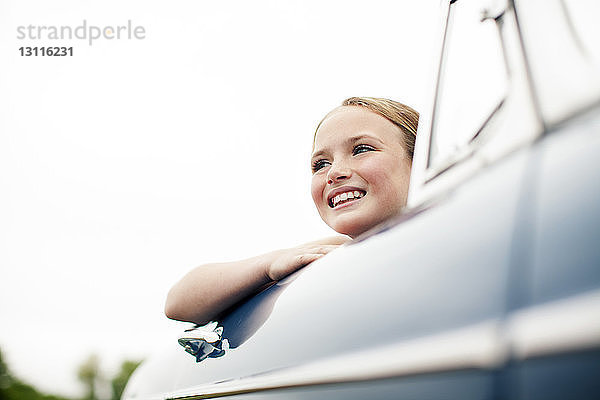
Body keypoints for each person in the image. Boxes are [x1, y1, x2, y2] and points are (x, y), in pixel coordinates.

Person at [165, 97, 419, 324]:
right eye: (320, 164)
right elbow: (178, 303)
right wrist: (269, 266)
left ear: (418, 159)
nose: (334, 172)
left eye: (361, 149)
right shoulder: (332, 250)